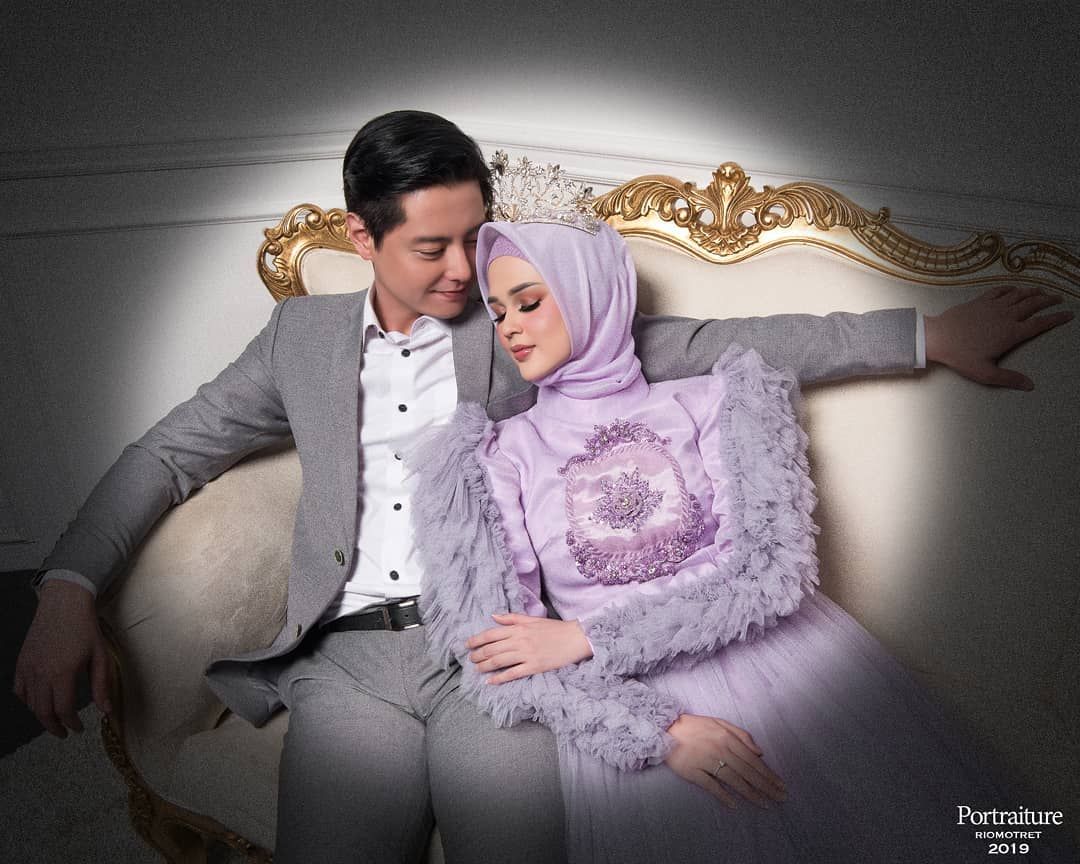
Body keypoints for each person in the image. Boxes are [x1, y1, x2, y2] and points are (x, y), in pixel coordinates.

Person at [12, 110, 1070, 863]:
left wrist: (923, 334)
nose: (463, 274)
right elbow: (168, 452)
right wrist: (65, 589)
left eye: (472, 240)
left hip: (498, 652)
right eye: (431, 248)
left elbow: (710, 342)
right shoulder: (299, 338)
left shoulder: (523, 315)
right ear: (361, 238)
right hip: (347, 661)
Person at [408, 215, 1077, 863]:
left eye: (528, 302)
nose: (510, 327)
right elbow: (501, 658)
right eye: (498, 311)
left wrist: (588, 637)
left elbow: (771, 570)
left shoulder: (713, 400)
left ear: (593, 296)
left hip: (783, 667)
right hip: (631, 712)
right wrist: (660, 731)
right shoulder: (492, 456)